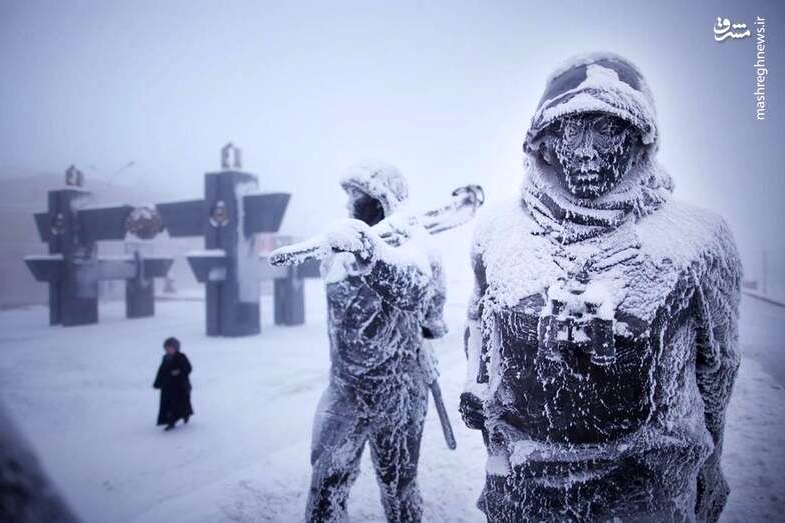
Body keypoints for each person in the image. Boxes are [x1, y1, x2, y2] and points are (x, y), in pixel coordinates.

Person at [460, 53, 741, 521]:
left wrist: (707, 467)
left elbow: (718, 370)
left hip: (648, 493)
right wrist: (477, 387)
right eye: (571, 131)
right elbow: (479, 327)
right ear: (545, 141)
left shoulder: (700, 238)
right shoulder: (497, 231)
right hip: (522, 491)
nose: (587, 151)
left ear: (638, 138)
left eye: (607, 130)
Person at [305, 162, 447, 522]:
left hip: (399, 393)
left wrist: (379, 254)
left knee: (399, 490)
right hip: (344, 389)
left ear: (385, 199)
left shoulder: (417, 248)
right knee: (325, 489)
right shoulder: (335, 253)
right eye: (352, 198)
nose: (356, 204)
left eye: (364, 197)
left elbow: (426, 307)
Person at [153, 337, 193, 431]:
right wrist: (158, 382)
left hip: (180, 386)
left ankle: (185, 414)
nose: (168, 350)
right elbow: (161, 371)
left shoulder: (181, 357)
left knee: (181, 403)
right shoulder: (165, 358)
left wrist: (179, 371)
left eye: (170, 348)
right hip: (167, 387)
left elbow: (188, 368)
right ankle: (171, 422)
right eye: (166, 348)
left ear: (176, 348)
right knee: (168, 405)